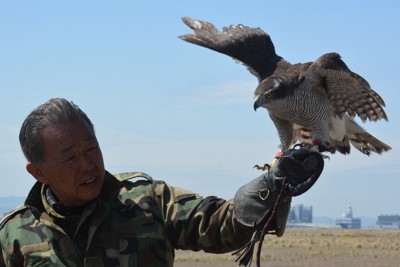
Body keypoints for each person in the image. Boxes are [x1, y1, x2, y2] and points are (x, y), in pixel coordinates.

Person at [0, 98, 324, 267]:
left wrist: (272, 182)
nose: (87, 165)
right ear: (38, 173)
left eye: (91, 148)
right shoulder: (13, 235)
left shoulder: (146, 200)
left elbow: (217, 224)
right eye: (70, 158)